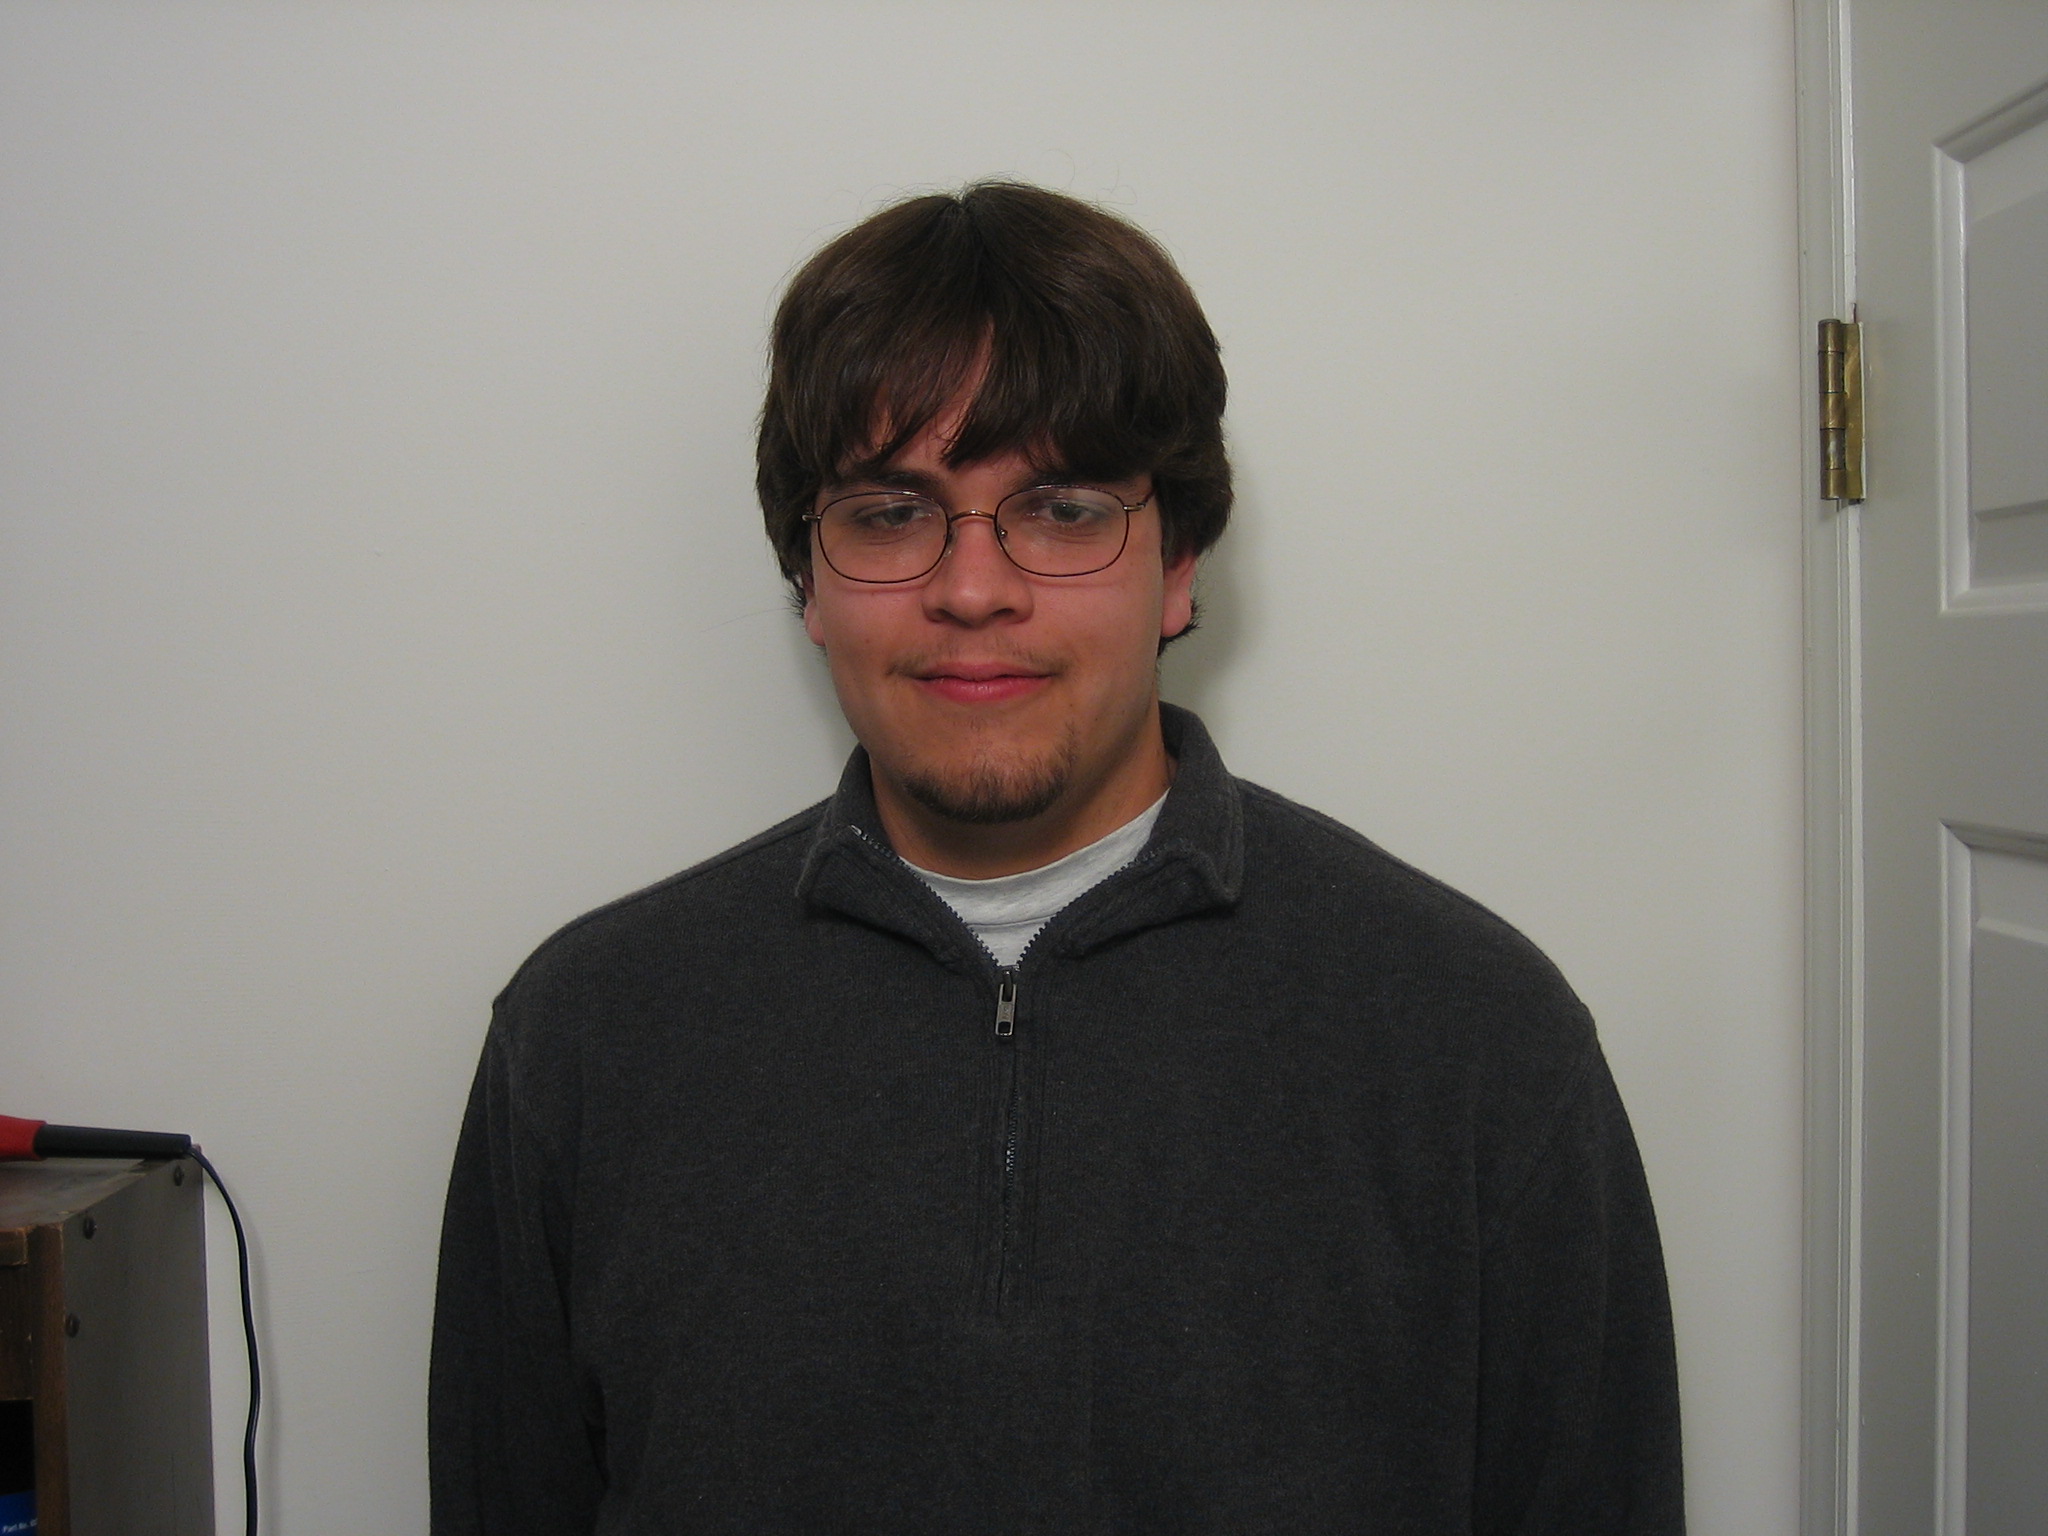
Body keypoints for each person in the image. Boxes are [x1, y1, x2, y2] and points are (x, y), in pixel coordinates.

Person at [429, 181, 1683, 1534]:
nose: (973, 590)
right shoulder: (586, 1042)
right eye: (889, 512)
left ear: (1180, 564)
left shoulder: (1479, 1044)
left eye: (1064, 509)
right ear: (809, 580)